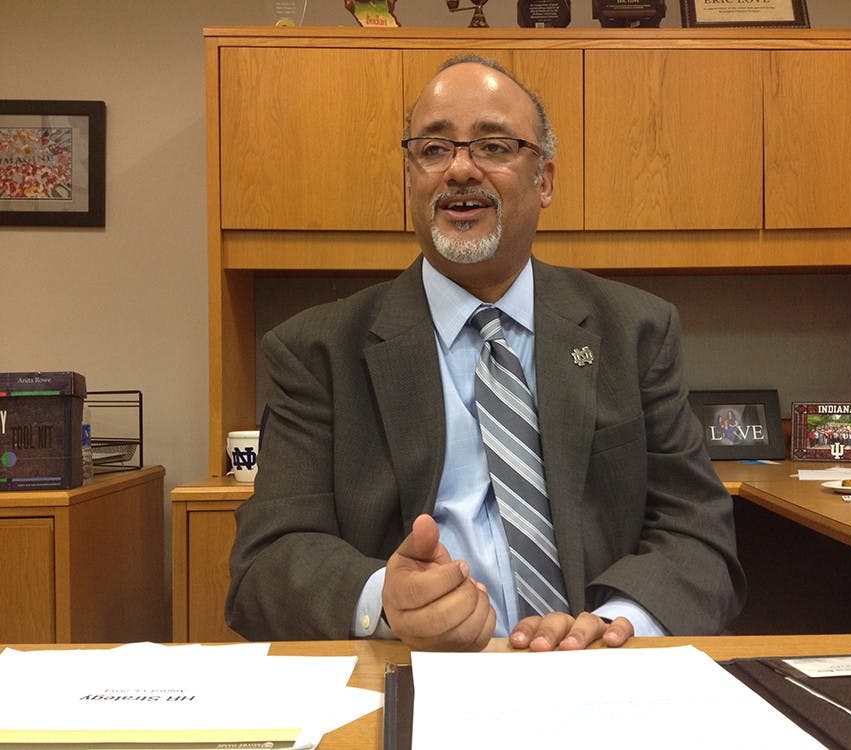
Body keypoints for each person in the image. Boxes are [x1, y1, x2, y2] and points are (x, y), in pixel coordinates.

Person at [226, 54, 746, 652]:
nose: (460, 170)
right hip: (418, 673)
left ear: (544, 180)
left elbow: (699, 533)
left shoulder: (635, 331)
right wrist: (386, 602)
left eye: (495, 147)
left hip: (598, 671)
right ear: (410, 178)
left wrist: (618, 624)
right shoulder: (316, 352)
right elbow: (265, 564)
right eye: (434, 149)